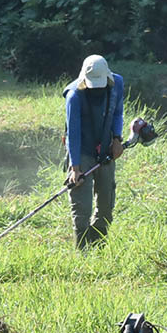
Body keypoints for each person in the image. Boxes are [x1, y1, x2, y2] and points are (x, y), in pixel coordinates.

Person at [63, 54, 125, 248]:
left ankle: (97, 246)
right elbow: (73, 133)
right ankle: (82, 252)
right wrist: (75, 168)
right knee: (82, 209)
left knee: (106, 206)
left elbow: (118, 113)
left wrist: (117, 139)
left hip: (105, 150)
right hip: (81, 152)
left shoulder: (117, 84)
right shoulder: (74, 96)